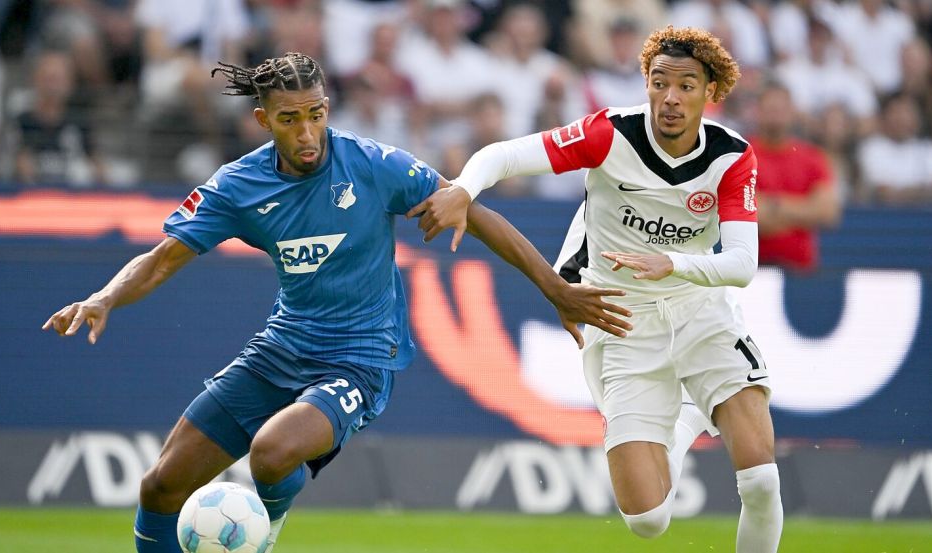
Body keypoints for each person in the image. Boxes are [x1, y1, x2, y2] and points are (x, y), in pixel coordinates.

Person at [41, 52, 633, 553]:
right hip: (280, 349)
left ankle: (267, 527)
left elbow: (477, 216)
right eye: (289, 119)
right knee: (160, 488)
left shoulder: (373, 166)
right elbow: (163, 257)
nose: (306, 133)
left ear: (328, 108)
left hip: (360, 358)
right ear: (262, 119)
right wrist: (105, 297)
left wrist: (555, 287)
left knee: (272, 454)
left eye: (316, 115)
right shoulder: (238, 187)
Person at [411, 26, 782, 552]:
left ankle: (698, 410)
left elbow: (743, 264)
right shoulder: (610, 134)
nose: (670, 98)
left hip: (701, 311)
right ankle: (683, 426)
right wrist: (465, 190)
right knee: (648, 520)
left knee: (762, 480)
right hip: (621, 317)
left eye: (686, 86)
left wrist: (669, 263)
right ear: (647, 84)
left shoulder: (731, 156)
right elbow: (505, 155)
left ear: (710, 93)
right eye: (659, 83)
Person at [751, 82, 840, 272]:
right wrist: (803, 213)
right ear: (757, 111)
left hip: (801, 271)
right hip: (753, 271)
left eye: (781, 109)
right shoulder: (739, 155)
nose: (776, 115)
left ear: (792, 112)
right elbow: (747, 215)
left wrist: (774, 204)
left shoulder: (812, 158)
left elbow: (827, 213)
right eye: (770, 109)